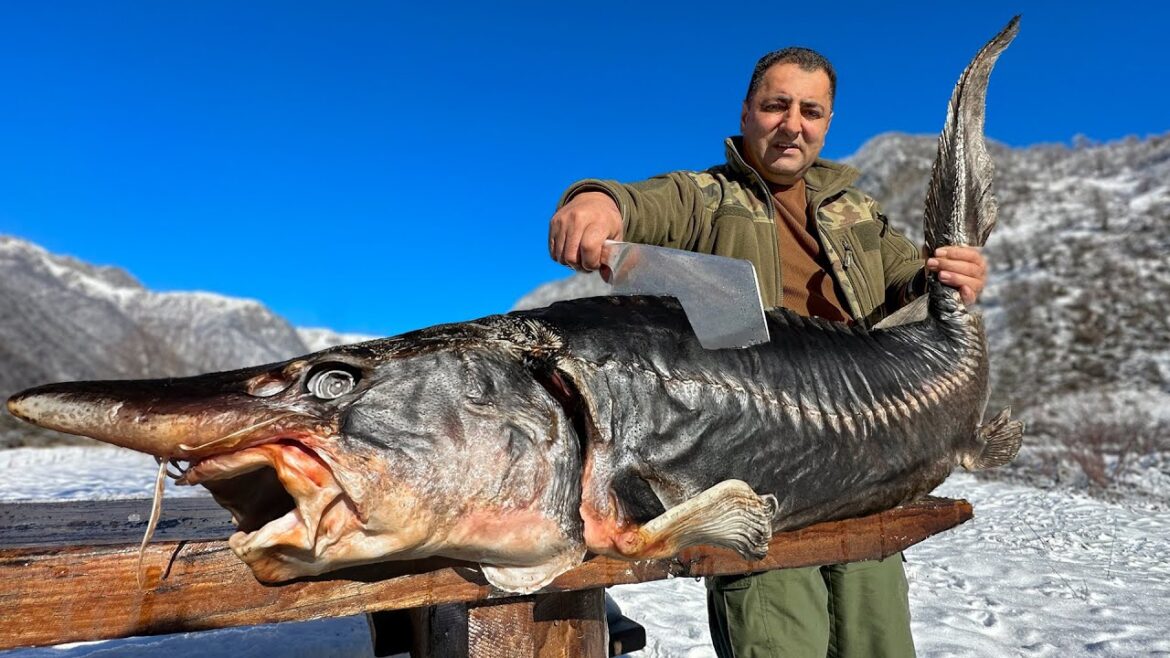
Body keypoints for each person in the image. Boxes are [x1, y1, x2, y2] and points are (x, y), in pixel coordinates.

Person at [547, 47, 986, 658]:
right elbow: (639, 202)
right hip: (757, 475)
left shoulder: (855, 211)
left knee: (878, 641)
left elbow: (912, 281)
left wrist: (951, 275)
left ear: (827, 123)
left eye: (812, 111)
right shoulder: (705, 197)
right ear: (748, 112)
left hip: (867, 458)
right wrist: (596, 202)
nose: (793, 123)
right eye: (776, 105)